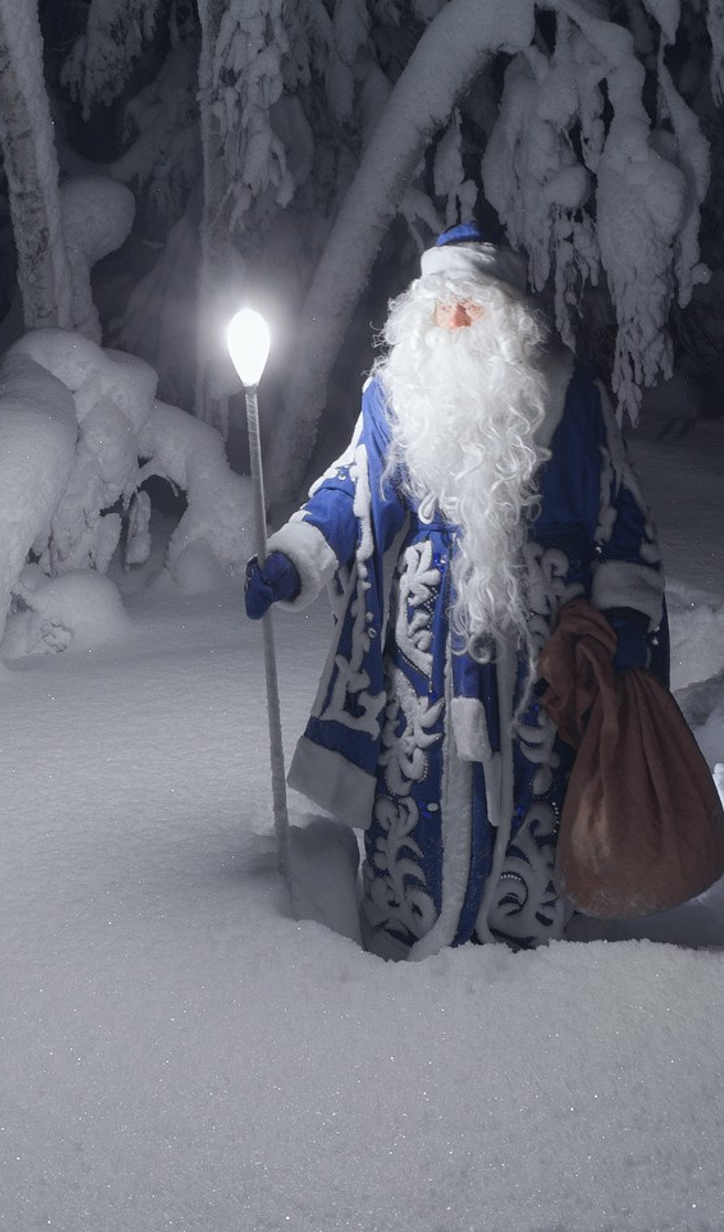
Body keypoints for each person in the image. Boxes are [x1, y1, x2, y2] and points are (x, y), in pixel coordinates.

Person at [244, 223, 668, 956]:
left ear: (509, 313)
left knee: (541, 781)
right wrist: (295, 557)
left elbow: (616, 509)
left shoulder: (571, 395)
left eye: (472, 304)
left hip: (544, 639)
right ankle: (408, 923)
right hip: (423, 638)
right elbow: (352, 489)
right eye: (442, 304)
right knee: (418, 775)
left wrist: (624, 612)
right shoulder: (395, 393)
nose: (456, 318)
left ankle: (527, 932)